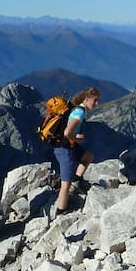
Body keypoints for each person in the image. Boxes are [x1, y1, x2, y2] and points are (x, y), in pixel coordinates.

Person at [54, 87, 98, 215]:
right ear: (86, 99)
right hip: (65, 149)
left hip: (69, 147)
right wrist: (76, 138)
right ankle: (61, 211)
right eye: (94, 100)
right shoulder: (79, 112)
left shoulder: (77, 108)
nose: (97, 104)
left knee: (88, 156)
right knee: (65, 185)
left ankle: (76, 180)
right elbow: (67, 132)